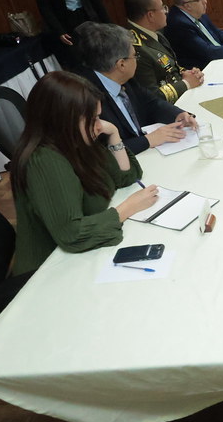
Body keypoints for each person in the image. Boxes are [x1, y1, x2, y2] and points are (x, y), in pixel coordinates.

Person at [10, 71, 159, 276]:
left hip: (82, 255)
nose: (99, 125)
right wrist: (127, 208)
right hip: (48, 272)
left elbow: (127, 176)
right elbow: (72, 234)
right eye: (93, 118)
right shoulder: (45, 161)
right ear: (63, 120)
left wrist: (114, 133)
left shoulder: (76, 140)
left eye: (98, 116)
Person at [75, 22, 197, 155]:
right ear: (121, 64)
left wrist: (178, 115)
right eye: (134, 56)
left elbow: (151, 102)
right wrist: (148, 140)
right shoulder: (85, 98)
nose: (136, 60)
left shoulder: (122, 79)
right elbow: (102, 152)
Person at [125, 0, 203, 103]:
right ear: (150, 15)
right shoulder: (135, 49)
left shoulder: (155, 33)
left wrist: (188, 73)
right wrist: (186, 83)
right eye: (162, 8)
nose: (166, 12)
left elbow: (170, 67)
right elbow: (151, 96)